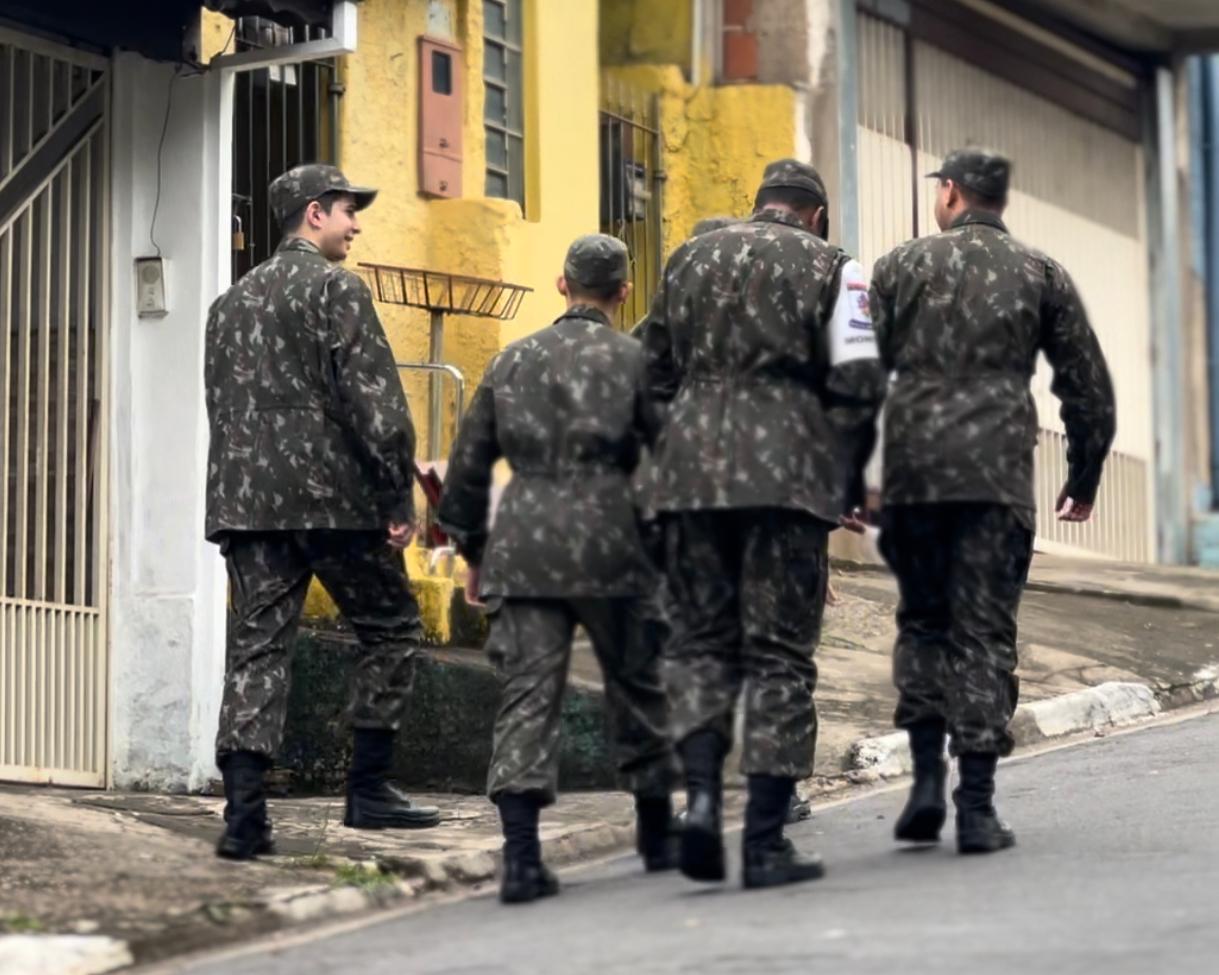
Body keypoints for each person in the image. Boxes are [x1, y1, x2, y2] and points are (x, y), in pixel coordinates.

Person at [640, 159, 885, 889]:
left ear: (759, 204)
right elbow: (859, 384)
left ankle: (701, 802)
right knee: (779, 654)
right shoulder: (840, 270)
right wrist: (845, 482)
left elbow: (651, 372)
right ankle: (765, 839)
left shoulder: (688, 258)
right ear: (816, 215)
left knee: (699, 645)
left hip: (690, 481)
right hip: (788, 480)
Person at [869, 148, 1116, 854]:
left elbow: (854, 375)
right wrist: (1083, 473)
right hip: (996, 480)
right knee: (983, 632)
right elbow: (1086, 386)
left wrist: (847, 474)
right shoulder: (1040, 273)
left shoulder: (898, 266)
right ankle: (974, 807)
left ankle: (924, 781)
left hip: (915, 479)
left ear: (950, 193)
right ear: (998, 200)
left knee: (922, 622)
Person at [206, 164, 441, 861]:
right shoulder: (337, 288)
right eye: (346, 210)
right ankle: (367, 789)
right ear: (314, 213)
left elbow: (222, 406)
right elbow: (377, 404)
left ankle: (245, 816)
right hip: (334, 501)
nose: (355, 224)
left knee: (257, 649)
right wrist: (395, 494)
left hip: (249, 504)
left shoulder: (228, 304)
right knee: (391, 626)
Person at [438, 234, 678, 905]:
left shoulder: (511, 360)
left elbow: (465, 472)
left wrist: (475, 551)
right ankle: (658, 833)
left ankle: (521, 858)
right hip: (614, 543)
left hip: (524, 543)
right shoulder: (636, 362)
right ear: (622, 292)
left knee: (528, 695)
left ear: (560, 284)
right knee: (639, 685)